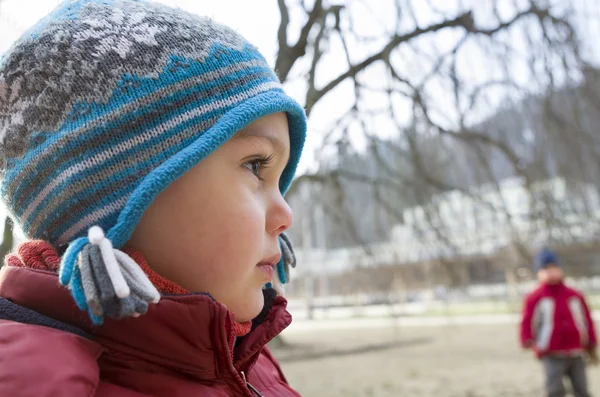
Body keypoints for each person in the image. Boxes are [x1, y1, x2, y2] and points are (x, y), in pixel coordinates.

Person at [0, 0, 306, 395]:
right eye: (254, 166)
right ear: (113, 195)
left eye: (280, 180)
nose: (286, 215)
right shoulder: (37, 381)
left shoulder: (242, 356)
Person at [520, 247, 598, 397]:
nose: (551, 272)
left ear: (560, 269)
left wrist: (592, 341)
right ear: (539, 273)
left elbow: (586, 318)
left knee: (581, 388)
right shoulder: (535, 297)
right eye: (546, 269)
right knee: (554, 389)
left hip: (576, 350)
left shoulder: (574, 294)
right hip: (551, 351)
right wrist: (526, 338)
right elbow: (527, 319)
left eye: (554, 268)